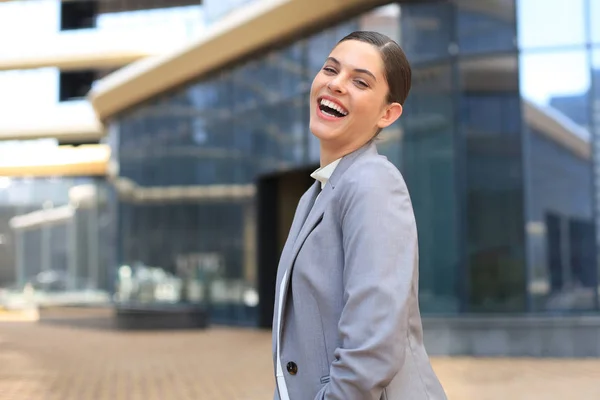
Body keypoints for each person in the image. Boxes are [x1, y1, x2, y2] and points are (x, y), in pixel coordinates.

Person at [272, 31, 447, 400]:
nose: (335, 84)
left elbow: (372, 345)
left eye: (360, 81)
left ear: (388, 113)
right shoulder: (315, 196)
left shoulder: (374, 181)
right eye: (330, 69)